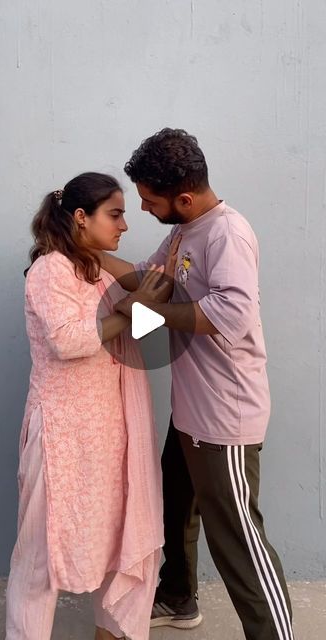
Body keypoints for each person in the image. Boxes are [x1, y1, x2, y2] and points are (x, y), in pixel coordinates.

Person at [99, 129, 294, 640]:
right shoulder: (185, 230)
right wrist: (88, 253)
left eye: (148, 201)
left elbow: (233, 311)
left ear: (183, 198)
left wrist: (149, 312)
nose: (141, 210)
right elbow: (145, 276)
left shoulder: (226, 233)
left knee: (238, 539)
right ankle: (179, 599)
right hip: (189, 413)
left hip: (223, 419)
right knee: (175, 507)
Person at [5, 172, 175, 640]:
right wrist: (131, 307)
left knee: (124, 540)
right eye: (114, 214)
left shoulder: (96, 267)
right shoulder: (49, 270)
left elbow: (144, 327)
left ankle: (114, 633)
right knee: (41, 555)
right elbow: (69, 341)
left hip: (111, 431)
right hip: (62, 434)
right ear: (81, 217)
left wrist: (135, 291)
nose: (124, 225)